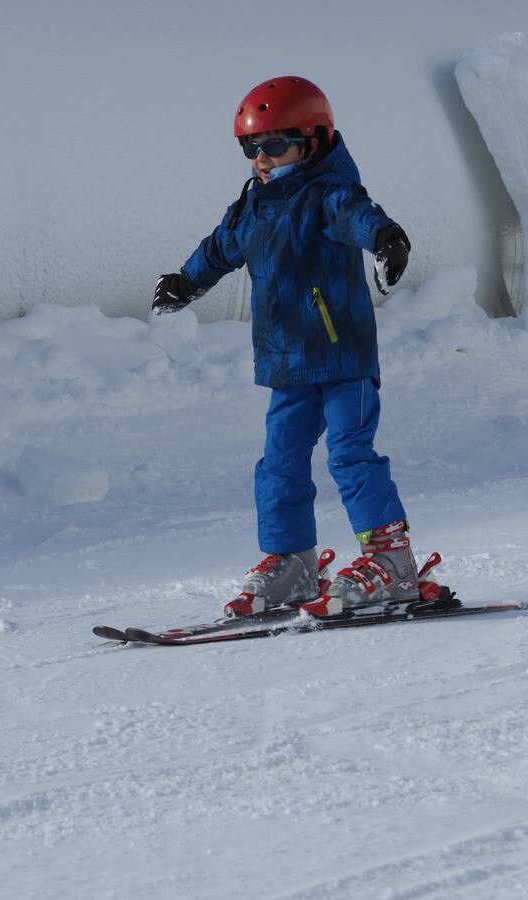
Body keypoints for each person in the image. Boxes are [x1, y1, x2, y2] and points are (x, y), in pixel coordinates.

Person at [152, 75, 420, 618]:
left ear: (314, 140)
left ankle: (390, 560)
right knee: (280, 463)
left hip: (343, 358)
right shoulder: (253, 207)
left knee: (350, 454)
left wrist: (388, 239)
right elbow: (220, 248)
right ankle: (293, 560)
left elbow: (359, 216)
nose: (261, 158)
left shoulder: (328, 195)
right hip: (286, 361)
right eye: (251, 147)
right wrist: (185, 281)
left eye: (274, 144)